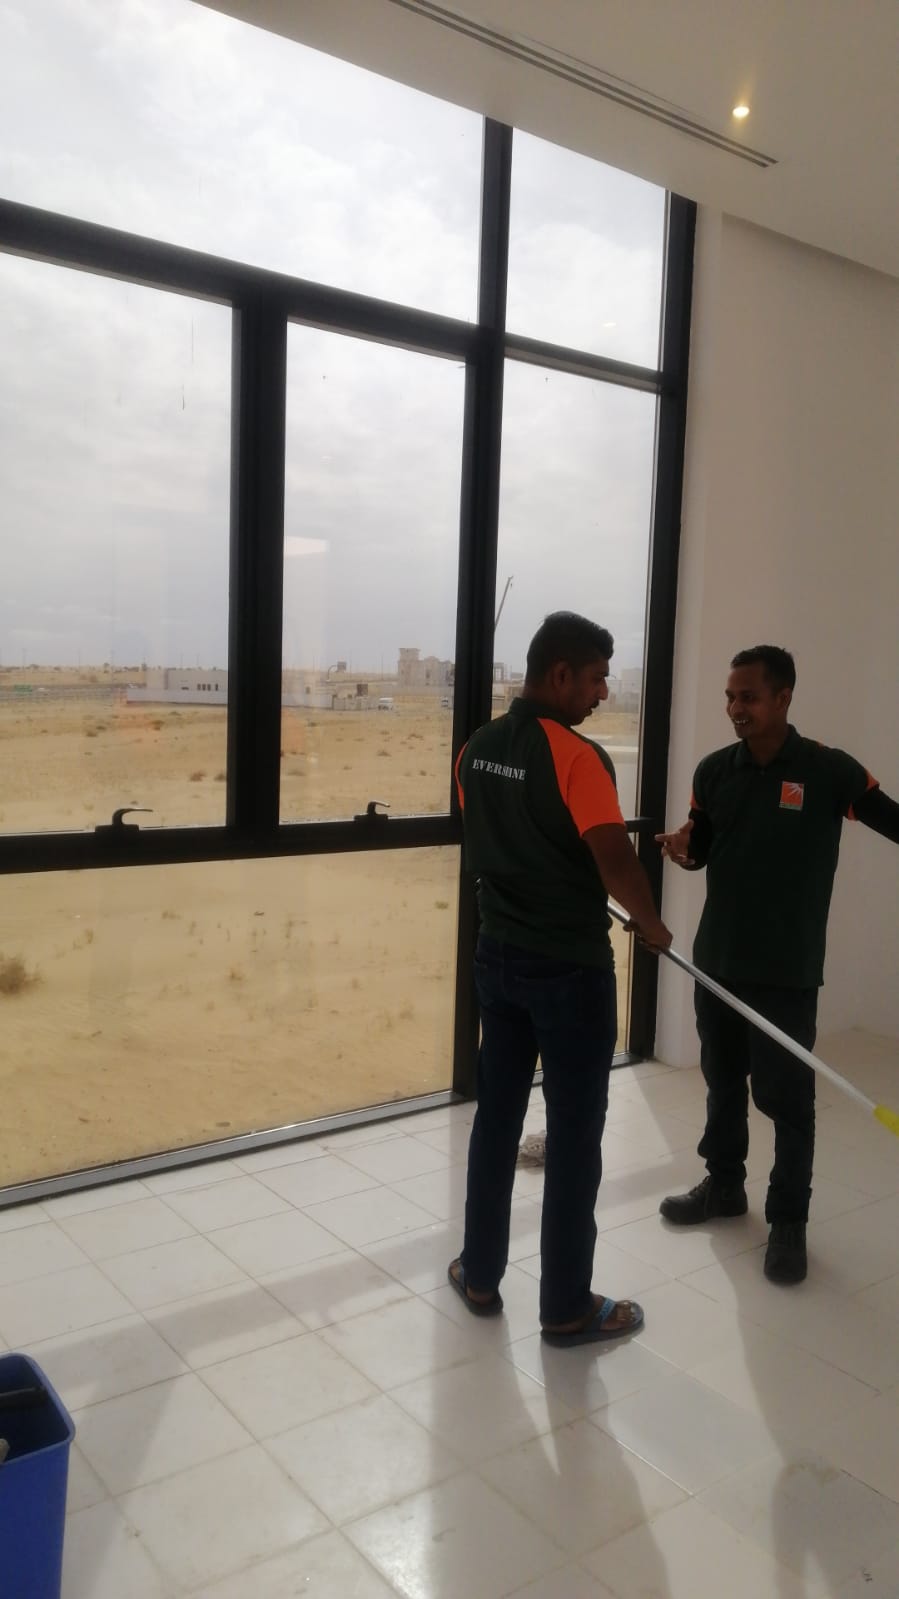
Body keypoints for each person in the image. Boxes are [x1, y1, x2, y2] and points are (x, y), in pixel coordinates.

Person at [449, 611, 671, 1345]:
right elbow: (613, 856)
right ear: (560, 674)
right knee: (574, 1138)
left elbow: (496, 840)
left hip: (498, 960)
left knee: (496, 1121)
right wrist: (651, 922)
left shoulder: (475, 749)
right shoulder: (578, 756)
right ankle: (567, 1308)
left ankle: (479, 1275)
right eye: (597, 678)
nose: (603, 692)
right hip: (569, 973)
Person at [656, 645, 899, 1284]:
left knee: (786, 1100)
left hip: (787, 969)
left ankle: (788, 1220)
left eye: (749, 697)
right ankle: (724, 1186)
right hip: (717, 961)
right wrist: (683, 848)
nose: (735, 708)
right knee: (722, 1081)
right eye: (730, 697)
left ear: (784, 697)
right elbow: (702, 849)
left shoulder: (830, 771)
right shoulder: (714, 771)